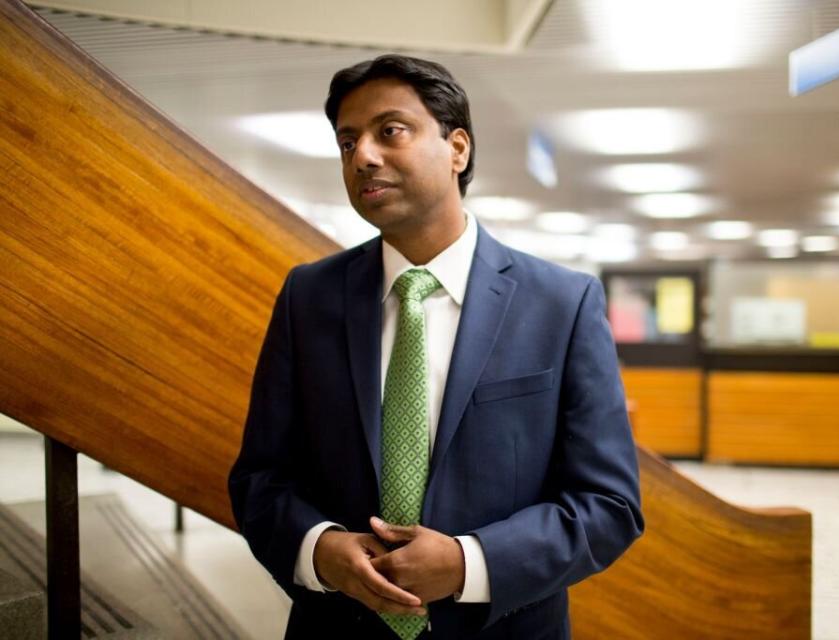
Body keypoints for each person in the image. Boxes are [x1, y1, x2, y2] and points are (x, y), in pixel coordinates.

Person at [228, 54, 643, 640]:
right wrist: (318, 550)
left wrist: (468, 563)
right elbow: (260, 479)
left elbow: (609, 505)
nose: (363, 156)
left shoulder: (561, 303)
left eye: (389, 131)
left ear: (458, 149)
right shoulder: (308, 297)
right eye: (348, 142)